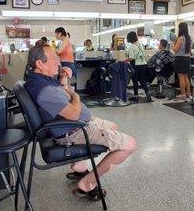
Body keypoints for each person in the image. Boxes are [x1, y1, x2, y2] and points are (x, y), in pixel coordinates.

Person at [24, 44, 137, 200]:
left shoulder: (43, 80)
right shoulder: (45, 90)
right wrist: (76, 97)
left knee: (113, 126)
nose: (59, 62)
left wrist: (63, 79)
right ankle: (88, 182)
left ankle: (79, 166)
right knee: (130, 145)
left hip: (77, 125)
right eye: (55, 58)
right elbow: (74, 112)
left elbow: (65, 93)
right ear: (40, 63)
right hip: (74, 131)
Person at [125, 31, 152, 102]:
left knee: (135, 80)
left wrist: (123, 61)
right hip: (143, 64)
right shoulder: (140, 45)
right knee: (142, 80)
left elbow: (131, 58)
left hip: (136, 65)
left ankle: (136, 95)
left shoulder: (131, 47)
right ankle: (148, 94)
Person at [172, 22, 192, 100]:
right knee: (186, 77)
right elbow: (190, 51)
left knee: (181, 77)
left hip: (180, 59)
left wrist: (173, 44)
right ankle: (188, 93)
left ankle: (183, 94)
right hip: (187, 59)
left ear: (181, 29)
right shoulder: (189, 38)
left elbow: (175, 49)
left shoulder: (180, 38)